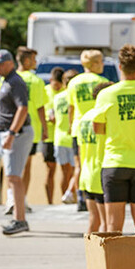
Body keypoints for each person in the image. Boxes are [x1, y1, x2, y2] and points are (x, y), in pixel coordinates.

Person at [93, 44, 135, 233]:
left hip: (114, 163)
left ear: (120, 67)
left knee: (113, 226)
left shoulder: (106, 94)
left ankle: (115, 263)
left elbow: (98, 128)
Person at [0, 50, 33, 236]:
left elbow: (23, 108)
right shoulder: (7, 80)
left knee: (14, 177)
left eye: (0, 64)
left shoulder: (15, 81)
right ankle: (19, 218)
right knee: (13, 177)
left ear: (10, 63)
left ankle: (20, 219)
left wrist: (11, 133)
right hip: (13, 133)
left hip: (17, 134)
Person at [75, 82, 113, 234]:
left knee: (93, 220)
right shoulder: (104, 118)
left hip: (86, 173)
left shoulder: (84, 118)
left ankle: (91, 255)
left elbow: (79, 149)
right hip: (100, 173)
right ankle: (104, 257)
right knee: (107, 224)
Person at [16, 47, 50, 200]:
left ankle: (13, 198)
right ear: (28, 61)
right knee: (27, 166)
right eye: (34, 60)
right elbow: (40, 107)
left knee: (13, 166)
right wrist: (45, 129)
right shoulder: (36, 81)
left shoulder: (10, 78)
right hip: (31, 129)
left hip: (12, 128)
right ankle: (23, 198)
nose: (35, 63)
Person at [51, 70, 79, 204]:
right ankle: (72, 195)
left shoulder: (57, 97)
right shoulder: (75, 96)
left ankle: (65, 197)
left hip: (59, 138)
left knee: (64, 173)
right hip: (72, 136)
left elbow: (53, 117)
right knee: (76, 171)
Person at [42, 67, 63, 203]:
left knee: (67, 171)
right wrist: (48, 118)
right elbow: (39, 109)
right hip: (49, 136)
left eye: (59, 85)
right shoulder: (45, 91)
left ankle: (65, 199)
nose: (57, 87)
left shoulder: (65, 92)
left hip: (62, 137)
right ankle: (49, 201)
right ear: (51, 81)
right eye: (55, 84)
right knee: (51, 170)